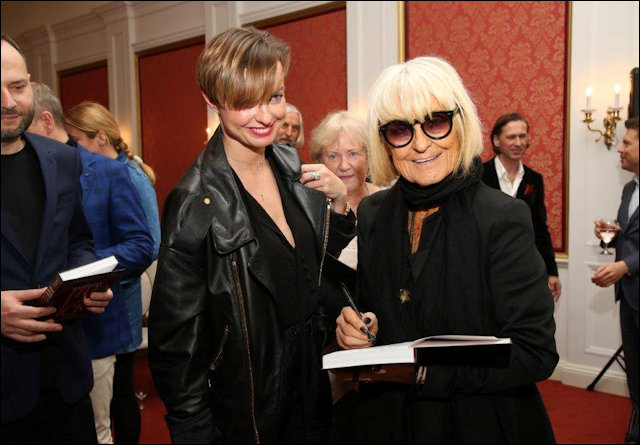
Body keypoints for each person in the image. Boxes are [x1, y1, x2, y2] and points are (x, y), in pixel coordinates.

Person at [335, 56, 558, 443]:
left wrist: (425, 373)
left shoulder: (502, 217)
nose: (420, 144)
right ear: (385, 141)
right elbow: (375, 311)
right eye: (400, 130)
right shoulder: (374, 213)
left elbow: (535, 352)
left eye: (436, 122)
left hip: (480, 421)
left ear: (461, 124)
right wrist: (358, 330)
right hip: (389, 420)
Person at [148, 27, 355, 444]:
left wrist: (339, 208)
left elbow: (303, 269)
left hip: (314, 385)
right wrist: (193, 432)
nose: (265, 116)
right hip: (248, 407)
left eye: (274, 96)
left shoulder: (286, 160)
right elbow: (176, 346)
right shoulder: (194, 202)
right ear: (212, 100)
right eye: (245, 102)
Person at [26, 83, 155, 443]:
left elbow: (142, 244)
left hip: (93, 331)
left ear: (46, 121)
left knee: (97, 431)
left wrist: (78, 274)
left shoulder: (107, 171)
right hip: (27, 341)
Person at [1, 34, 112, 443]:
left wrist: (87, 281)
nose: (9, 103)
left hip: (65, 383)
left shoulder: (61, 158)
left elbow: (78, 239)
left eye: (17, 86)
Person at [64, 101, 159, 444]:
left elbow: (149, 242)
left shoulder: (127, 174)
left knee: (119, 390)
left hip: (122, 293)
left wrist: (89, 265)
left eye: (76, 141)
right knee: (116, 391)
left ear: (99, 138)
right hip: (108, 294)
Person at [592, 117, 639, 444]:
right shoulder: (629, 188)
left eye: (627, 143)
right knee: (635, 372)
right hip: (630, 296)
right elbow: (629, 238)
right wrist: (608, 239)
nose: (619, 149)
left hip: (630, 280)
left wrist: (625, 266)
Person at [482, 113, 562, 301]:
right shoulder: (479, 175)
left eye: (522, 136)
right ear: (496, 140)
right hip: (486, 269)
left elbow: (540, 227)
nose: (518, 142)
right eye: (511, 137)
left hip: (523, 270)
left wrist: (552, 271)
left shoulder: (534, 179)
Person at [311, 110, 382, 269]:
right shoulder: (309, 209)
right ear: (319, 161)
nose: (344, 166)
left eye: (353, 154)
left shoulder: (387, 203)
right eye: (333, 156)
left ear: (368, 157)